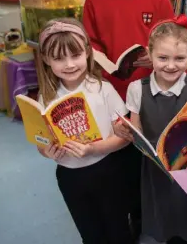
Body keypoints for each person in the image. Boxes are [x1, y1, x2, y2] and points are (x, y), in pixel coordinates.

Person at [82, 0, 175, 236]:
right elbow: (91, 45)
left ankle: (158, 213)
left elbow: (170, 38)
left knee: (155, 152)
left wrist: (160, 54)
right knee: (123, 157)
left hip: (153, 89)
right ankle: (132, 214)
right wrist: (107, 63)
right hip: (113, 91)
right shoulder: (95, 0)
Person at [34, 18, 135, 244]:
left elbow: (125, 138)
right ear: (45, 59)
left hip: (108, 170)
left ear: (88, 53)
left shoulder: (102, 88)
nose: (69, 64)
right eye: (59, 58)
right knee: (90, 234)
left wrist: (92, 149)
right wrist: (47, 151)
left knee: (118, 231)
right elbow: (40, 142)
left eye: (76, 55)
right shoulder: (45, 97)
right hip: (69, 175)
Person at [113, 18, 187, 244]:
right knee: (165, 218)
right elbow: (136, 129)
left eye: (179, 58)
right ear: (149, 54)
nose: (171, 65)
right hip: (155, 168)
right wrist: (125, 130)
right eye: (162, 58)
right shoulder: (137, 89)